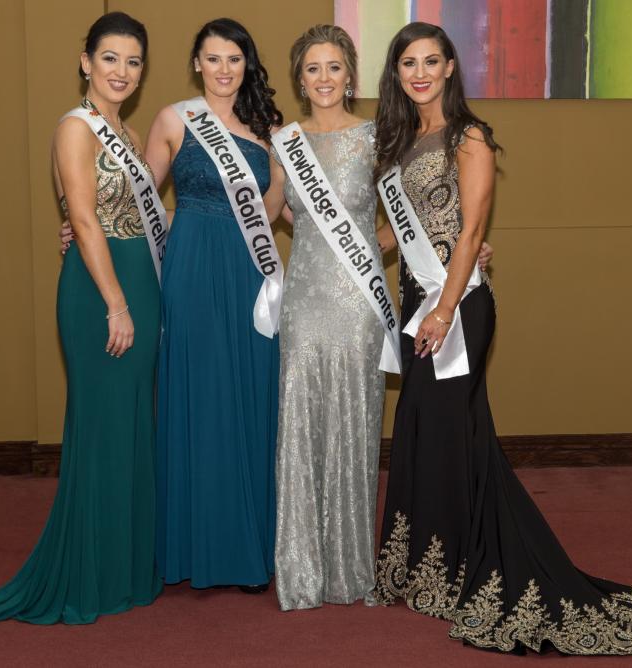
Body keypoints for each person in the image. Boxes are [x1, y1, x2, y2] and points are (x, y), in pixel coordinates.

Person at [372, 22, 632, 655]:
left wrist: (444, 310)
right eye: (408, 63)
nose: (419, 73)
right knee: (429, 428)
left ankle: (465, 567)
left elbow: (472, 231)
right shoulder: (402, 140)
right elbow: (395, 234)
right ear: (396, 73)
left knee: (449, 428)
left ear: (450, 68)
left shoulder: (469, 136)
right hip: (417, 305)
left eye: (430, 61)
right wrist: (338, 252)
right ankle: (433, 565)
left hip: (455, 308)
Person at [0, 12, 162, 625]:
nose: (121, 71)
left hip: (138, 283)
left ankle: (125, 568)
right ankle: (89, 573)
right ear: (85, 62)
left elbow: (133, 217)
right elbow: (84, 221)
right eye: (110, 58)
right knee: (102, 428)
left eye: (133, 61)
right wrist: (116, 303)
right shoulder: (75, 128)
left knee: (132, 426)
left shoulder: (128, 132)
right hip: (100, 294)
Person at [146, 19, 282, 591]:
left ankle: (245, 542)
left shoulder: (268, 130)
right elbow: (141, 200)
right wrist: (80, 227)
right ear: (196, 63)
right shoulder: (173, 119)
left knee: (248, 392)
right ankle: (193, 543)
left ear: (246, 65)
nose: (224, 69)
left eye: (234, 58)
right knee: (202, 393)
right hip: (192, 266)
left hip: (248, 269)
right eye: (213, 58)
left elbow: (277, 209)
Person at [264, 24, 386, 611]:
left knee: (356, 418)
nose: (324, 78)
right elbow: (266, 213)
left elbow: (405, 212)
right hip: (306, 299)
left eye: (334, 67)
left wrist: (370, 250)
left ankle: (349, 568)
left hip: (358, 300)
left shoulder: (375, 136)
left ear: (350, 75)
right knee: (302, 419)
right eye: (312, 68)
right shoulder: (284, 142)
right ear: (300, 78)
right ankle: (302, 569)